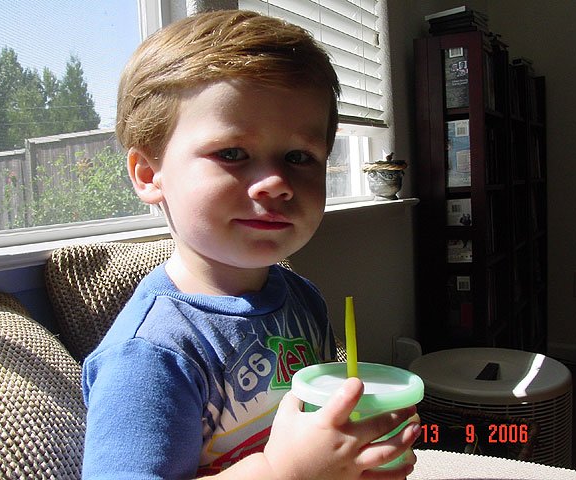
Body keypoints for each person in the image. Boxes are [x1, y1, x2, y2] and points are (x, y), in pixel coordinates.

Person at [81, 9, 421, 479]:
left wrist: (352, 456)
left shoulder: (301, 297)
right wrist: (281, 471)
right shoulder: (151, 355)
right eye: (233, 153)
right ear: (148, 173)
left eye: (299, 156)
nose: (276, 182)